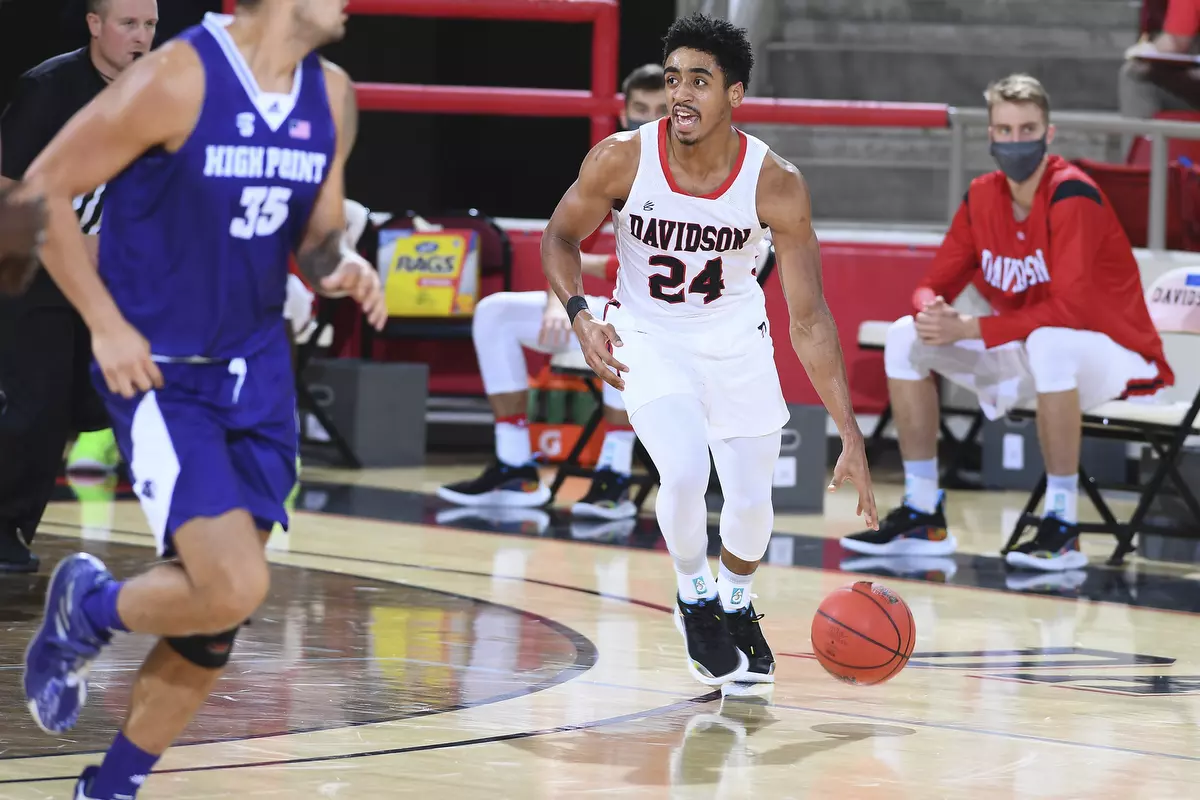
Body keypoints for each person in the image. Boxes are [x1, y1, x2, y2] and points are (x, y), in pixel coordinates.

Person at [17, 1, 384, 797]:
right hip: (164, 375)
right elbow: (40, 193)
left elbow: (317, 239)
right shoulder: (179, 76)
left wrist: (342, 266)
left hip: (259, 379)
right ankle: (92, 605)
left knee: (216, 615)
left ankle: (109, 785)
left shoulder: (333, 94)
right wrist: (106, 325)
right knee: (235, 584)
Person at [541, 13, 877, 690]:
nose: (682, 94)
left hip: (735, 338)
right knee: (686, 470)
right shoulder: (622, 158)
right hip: (648, 335)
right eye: (673, 80)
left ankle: (734, 598)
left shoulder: (774, 181)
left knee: (753, 501)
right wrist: (580, 315)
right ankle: (694, 593)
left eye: (700, 80)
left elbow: (809, 319)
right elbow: (559, 237)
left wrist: (849, 430)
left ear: (736, 95)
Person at [840, 74, 1172, 573]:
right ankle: (924, 511)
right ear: (990, 136)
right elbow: (933, 281)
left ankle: (1062, 524)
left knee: (1050, 341)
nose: (1016, 140)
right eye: (1005, 130)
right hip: (1034, 350)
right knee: (907, 335)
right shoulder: (982, 197)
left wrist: (971, 329)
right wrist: (934, 309)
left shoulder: (1071, 194)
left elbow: (1071, 309)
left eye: (1027, 129)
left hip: (1117, 357)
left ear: (1048, 133)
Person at [438, 64, 668, 520]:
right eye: (638, 109)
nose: (646, 120)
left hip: (656, 322)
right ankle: (515, 466)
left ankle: (614, 478)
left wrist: (596, 273)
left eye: (659, 110)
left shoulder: (684, 172)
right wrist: (559, 302)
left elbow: (656, 270)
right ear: (622, 113)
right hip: (595, 309)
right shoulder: (606, 165)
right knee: (494, 314)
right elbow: (562, 245)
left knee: (619, 320)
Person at [0, 0, 158, 573]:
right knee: (32, 405)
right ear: (95, 26)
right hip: (33, 270)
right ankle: (7, 529)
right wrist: (63, 246)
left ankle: (16, 522)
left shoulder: (160, 94)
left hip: (111, 278)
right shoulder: (50, 87)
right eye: (128, 24)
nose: (141, 38)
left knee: (79, 407)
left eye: (150, 25)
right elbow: (8, 188)